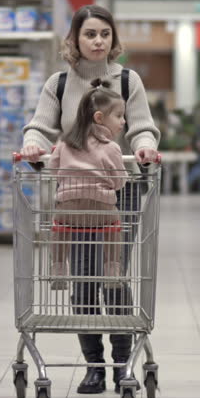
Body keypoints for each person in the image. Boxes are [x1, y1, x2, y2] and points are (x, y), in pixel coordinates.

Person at [21, 4, 160, 395]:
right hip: (74, 195)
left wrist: (146, 147)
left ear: (113, 38)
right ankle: (94, 366)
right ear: (75, 40)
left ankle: (120, 364)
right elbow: (40, 126)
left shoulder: (128, 81)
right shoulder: (59, 83)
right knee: (83, 282)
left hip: (120, 191)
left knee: (113, 277)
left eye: (104, 34)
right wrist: (33, 144)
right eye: (89, 34)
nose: (98, 41)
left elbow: (143, 128)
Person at [47, 84, 129, 290]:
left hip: (69, 209)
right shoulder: (111, 148)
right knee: (115, 226)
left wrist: (70, 181)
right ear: (99, 118)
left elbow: (53, 169)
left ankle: (58, 268)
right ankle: (112, 270)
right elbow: (119, 181)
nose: (123, 121)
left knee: (59, 226)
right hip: (101, 210)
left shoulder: (64, 143)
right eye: (119, 116)